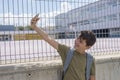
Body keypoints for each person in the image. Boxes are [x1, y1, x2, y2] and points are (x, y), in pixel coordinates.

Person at [31, 14, 96, 80]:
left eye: (81, 42)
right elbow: (48, 39)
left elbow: (92, 78)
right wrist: (35, 27)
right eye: (78, 38)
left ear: (88, 47)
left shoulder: (90, 59)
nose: (77, 41)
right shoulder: (67, 51)